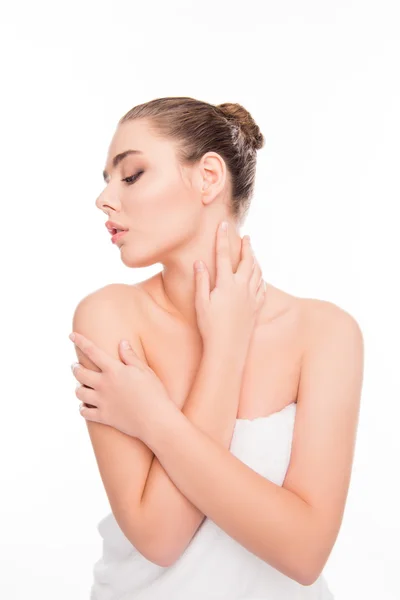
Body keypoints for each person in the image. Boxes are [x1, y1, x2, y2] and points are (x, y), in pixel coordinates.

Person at [71, 96, 363, 599]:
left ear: (208, 178)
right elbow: (159, 538)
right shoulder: (109, 317)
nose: (104, 199)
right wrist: (225, 348)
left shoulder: (327, 334)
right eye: (105, 180)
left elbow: (304, 553)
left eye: (131, 174)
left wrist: (154, 418)